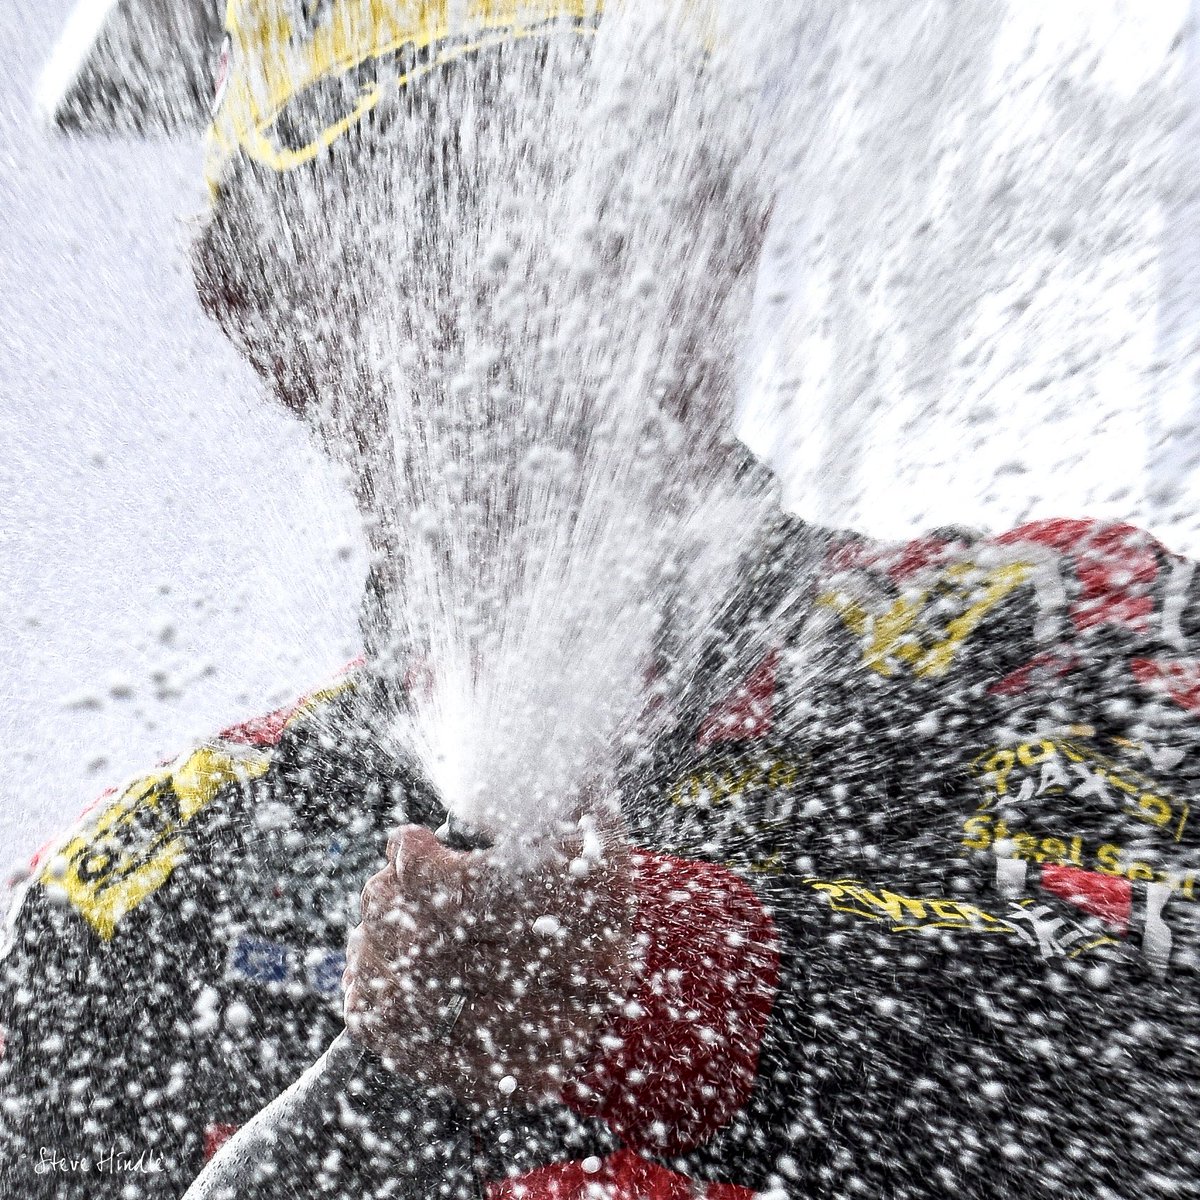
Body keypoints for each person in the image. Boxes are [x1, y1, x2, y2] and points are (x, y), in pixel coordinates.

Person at [3, 2, 1200, 1199]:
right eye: (428, 203)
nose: (519, 280)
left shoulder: (1058, 635)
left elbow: (1161, 1065)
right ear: (275, 334)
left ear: (727, 227)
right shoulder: (144, 900)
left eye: (590, 186)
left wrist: (679, 987)